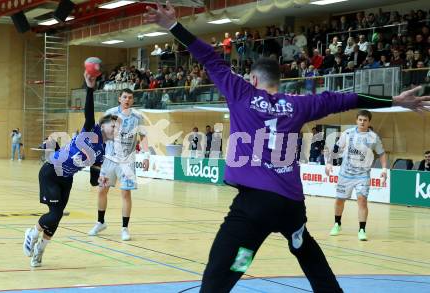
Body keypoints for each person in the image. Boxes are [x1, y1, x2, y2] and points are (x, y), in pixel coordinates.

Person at [144, 2, 430, 292]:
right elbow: (351, 99)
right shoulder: (300, 104)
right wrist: (394, 101)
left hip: (256, 203)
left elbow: (208, 57)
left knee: (224, 266)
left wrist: (172, 26)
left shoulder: (241, 92)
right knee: (305, 250)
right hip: (291, 204)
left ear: (253, 79)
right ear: (278, 82)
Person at [23, 72, 118, 267]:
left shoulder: (103, 150)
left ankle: (39, 251)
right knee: (55, 214)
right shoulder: (92, 129)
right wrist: (90, 88)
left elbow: (93, 179)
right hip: (52, 171)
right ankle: (32, 232)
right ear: (104, 125)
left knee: (56, 219)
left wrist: (101, 179)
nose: (117, 130)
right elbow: (89, 111)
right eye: (114, 126)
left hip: (67, 179)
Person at [88, 88, 150, 241]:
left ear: (132, 100)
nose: (127, 100)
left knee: (125, 193)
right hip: (109, 160)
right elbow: (99, 132)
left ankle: (124, 228)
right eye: (124, 97)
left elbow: (143, 137)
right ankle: (100, 222)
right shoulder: (109, 114)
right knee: (102, 191)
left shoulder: (137, 117)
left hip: (127, 162)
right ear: (119, 99)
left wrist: (146, 155)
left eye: (130, 97)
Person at [326, 110, 388, 241]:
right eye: (360, 119)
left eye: (365, 120)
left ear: (369, 122)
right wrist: (329, 163)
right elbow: (336, 148)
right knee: (339, 200)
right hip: (345, 174)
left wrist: (384, 169)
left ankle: (362, 229)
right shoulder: (347, 133)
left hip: (363, 175)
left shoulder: (373, 137)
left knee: (362, 201)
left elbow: (382, 153)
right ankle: (337, 224)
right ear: (356, 120)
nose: (362, 122)